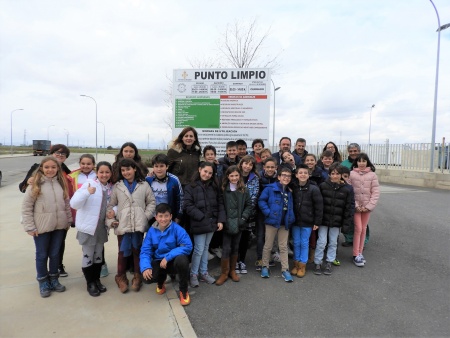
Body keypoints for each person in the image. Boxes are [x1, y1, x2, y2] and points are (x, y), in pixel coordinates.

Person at [21, 156, 73, 298]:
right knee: (42, 254)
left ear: (57, 169)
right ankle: (43, 281)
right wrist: (30, 226)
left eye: (53, 167)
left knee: (55, 253)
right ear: (42, 169)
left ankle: (54, 278)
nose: (50, 170)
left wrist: (68, 220)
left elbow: (66, 204)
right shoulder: (35, 185)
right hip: (42, 226)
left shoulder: (60, 184)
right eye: (47, 167)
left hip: (59, 226)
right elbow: (26, 208)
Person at [106, 158, 156, 293]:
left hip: (138, 225)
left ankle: (137, 276)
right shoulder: (117, 186)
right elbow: (110, 206)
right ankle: (120, 276)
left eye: (128, 169)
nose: (126, 172)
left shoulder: (144, 185)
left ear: (134, 169)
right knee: (123, 252)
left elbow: (151, 202)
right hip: (123, 225)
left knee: (137, 251)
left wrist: (145, 216)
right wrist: (111, 221)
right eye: (123, 170)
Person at [70, 161, 113, 297]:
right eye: (101, 172)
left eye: (107, 172)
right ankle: (90, 283)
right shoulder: (89, 184)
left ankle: (97, 279)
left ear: (111, 173)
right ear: (97, 173)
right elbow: (74, 203)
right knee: (88, 255)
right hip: (88, 228)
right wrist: (86, 193)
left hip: (101, 227)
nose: (104, 175)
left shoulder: (110, 188)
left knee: (98, 255)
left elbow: (113, 205)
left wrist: (114, 211)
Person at [140, 203, 193, 306]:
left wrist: (168, 257)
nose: (163, 219)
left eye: (166, 216)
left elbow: (187, 246)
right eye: (160, 216)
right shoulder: (151, 231)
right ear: (156, 217)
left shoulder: (177, 229)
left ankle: (183, 291)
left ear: (171, 216)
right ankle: (161, 281)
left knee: (182, 261)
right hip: (159, 261)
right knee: (146, 277)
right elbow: (145, 251)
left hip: (172, 261)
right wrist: (145, 267)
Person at [184, 162, 225, 287]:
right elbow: (188, 206)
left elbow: (219, 204)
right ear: (200, 169)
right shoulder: (190, 186)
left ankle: (204, 272)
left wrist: (220, 220)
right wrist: (202, 217)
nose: (207, 175)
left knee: (205, 248)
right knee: (198, 249)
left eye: (210, 173)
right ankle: (193, 274)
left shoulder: (214, 186)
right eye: (205, 171)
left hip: (212, 223)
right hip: (199, 223)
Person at [216, 165, 252, 286]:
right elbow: (220, 205)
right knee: (226, 248)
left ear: (239, 176)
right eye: (232, 175)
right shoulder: (223, 189)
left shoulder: (244, 189)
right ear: (227, 176)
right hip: (227, 224)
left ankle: (232, 271)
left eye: (236, 175)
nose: (234, 178)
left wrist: (243, 218)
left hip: (239, 223)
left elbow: (249, 205)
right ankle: (224, 273)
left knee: (235, 247)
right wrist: (223, 220)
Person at [314, 163, 352, 276]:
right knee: (321, 242)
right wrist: (317, 219)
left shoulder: (347, 189)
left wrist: (346, 223)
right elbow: (318, 204)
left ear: (341, 175)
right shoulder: (323, 186)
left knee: (333, 242)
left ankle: (329, 261)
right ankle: (318, 262)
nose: (335, 176)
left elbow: (348, 207)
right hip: (323, 220)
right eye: (333, 174)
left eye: (337, 174)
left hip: (336, 221)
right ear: (329, 174)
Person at [258, 167, 295, 282]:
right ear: (278, 176)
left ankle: (285, 269)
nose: (286, 178)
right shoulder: (270, 189)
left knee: (283, 247)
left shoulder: (289, 191)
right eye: (284, 175)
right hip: (272, 222)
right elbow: (261, 201)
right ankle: (265, 266)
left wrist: (291, 217)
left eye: (288, 176)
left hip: (285, 223)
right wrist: (268, 213)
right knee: (268, 245)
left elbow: (290, 206)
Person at [291, 164, 323, 278]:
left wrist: (317, 222)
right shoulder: (293, 187)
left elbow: (319, 206)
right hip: (295, 221)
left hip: (308, 221)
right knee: (296, 242)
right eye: (300, 173)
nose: (303, 175)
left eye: (305, 173)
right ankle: (295, 263)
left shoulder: (314, 189)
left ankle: (302, 265)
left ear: (309, 175)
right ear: (296, 175)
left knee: (304, 243)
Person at [349, 153, 380, 267]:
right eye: (359, 161)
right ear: (356, 162)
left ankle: (360, 253)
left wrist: (368, 206)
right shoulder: (351, 174)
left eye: (364, 161)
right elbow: (350, 191)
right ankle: (355, 254)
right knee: (358, 228)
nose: (361, 163)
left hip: (366, 208)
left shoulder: (372, 175)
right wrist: (356, 205)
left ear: (367, 162)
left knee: (364, 229)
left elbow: (375, 192)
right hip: (356, 208)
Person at [236, 155, 260, 274]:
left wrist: (246, 212)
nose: (248, 166)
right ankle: (234, 260)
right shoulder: (235, 175)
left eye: (250, 164)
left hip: (248, 214)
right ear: (241, 164)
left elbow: (254, 196)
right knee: (235, 238)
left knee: (245, 238)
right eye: (246, 163)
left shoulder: (255, 178)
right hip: (234, 213)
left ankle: (242, 260)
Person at [254, 157, 278, 271]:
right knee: (260, 235)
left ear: (276, 168)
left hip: (274, 212)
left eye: (272, 167)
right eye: (267, 167)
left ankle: (268, 257)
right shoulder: (258, 177)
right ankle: (260, 258)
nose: (270, 169)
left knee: (271, 236)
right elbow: (258, 195)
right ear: (264, 167)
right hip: (261, 211)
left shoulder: (279, 178)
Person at [146, 154, 183, 224]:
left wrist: (178, 216)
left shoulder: (174, 180)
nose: (159, 169)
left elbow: (180, 198)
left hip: (168, 217)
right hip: (152, 216)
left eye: (162, 166)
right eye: (156, 166)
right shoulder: (148, 180)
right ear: (153, 167)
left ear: (167, 167)